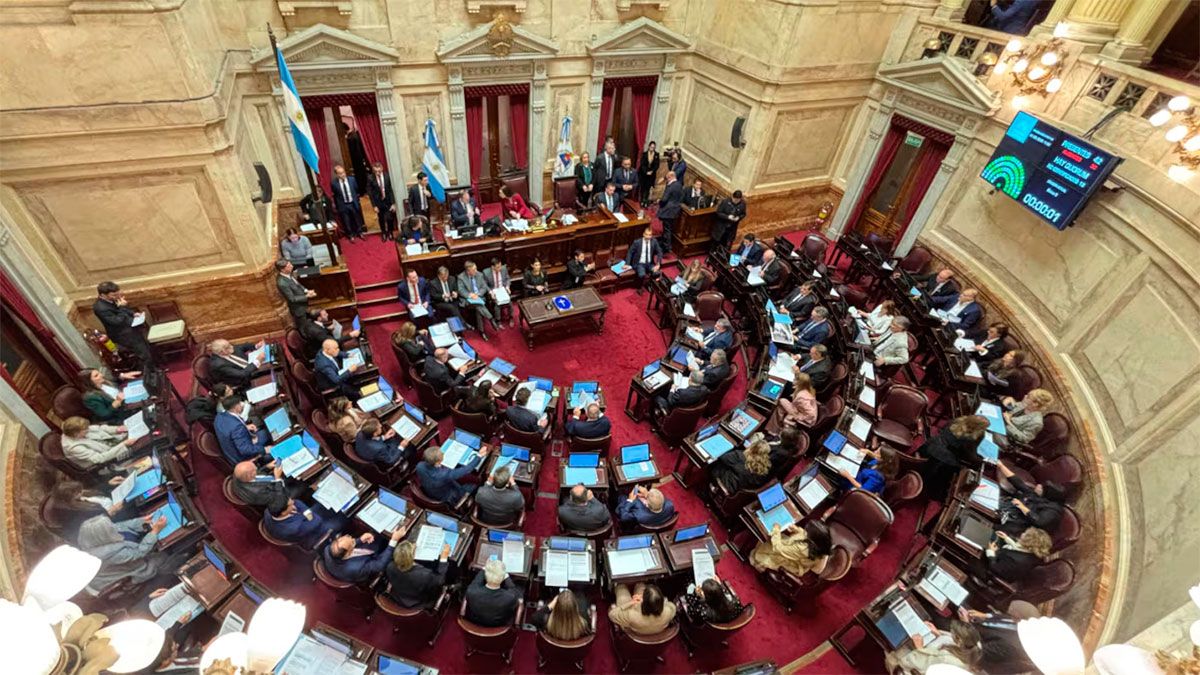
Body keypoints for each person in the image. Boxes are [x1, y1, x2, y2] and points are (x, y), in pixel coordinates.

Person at [78, 514, 180, 591]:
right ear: (104, 535)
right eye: (110, 528)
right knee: (166, 553)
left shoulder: (93, 538)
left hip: (133, 550)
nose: (113, 527)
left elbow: (121, 525)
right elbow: (140, 552)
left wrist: (142, 521)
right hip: (139, 566)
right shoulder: (110, 555)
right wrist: (155, 532)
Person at [916, 415, 989, 500]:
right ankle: (935, 492)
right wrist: (982, 461)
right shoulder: (970, 438)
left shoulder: (957, 421)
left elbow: (943, 429)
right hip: (940, 456)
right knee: (957, 469)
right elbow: (969, 456)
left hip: (931, 444)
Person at [958, 602, 1041, 674]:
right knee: (960, 605)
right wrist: (984, 615)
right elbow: (1002, 617)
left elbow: (979, 650)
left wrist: (966, 624)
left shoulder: (1011, 644)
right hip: (979, 625)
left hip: (973, 645)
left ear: (1020, 618)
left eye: (1013, 614)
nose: (1010, 615)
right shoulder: (1016, 621)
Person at [884, 620, 983, 674]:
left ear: (959, 640)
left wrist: (919, 648)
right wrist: (938, 634)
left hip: (912, 670)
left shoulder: (946, 658)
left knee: (893, 654)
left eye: (952, 633)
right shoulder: (971, 652)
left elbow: (917, 664)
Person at [93, 281, 155, 367]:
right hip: (122, 335)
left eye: (117, 294)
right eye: (114, 295)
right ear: (103, 295)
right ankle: (149, 372)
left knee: (146, 349)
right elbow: (117, 321)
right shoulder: (100, 308)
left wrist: (133, 313)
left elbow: (122, 310)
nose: (117, 296)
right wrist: (122, 307)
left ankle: (154, 368)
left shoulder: (112, 299)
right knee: (143, 354)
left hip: (131, 328)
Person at [997, 460, 1066, 536]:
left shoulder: (1053, 511)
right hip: (1010, 509)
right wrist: (1001, 466)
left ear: (1046, 494)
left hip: (1019, 525)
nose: (1039, 485)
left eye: (1042, 488)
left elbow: (1039, 521)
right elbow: (1019, 483)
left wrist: (1022, 507)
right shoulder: (1036, 495)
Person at [751, 520, 833, 577]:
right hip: (802, 559)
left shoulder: (801, 549)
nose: (805, 532)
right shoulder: (822, 544)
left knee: (763, 548)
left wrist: (776, 530)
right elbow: (806, 535)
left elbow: (778, 548)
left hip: (792, 562)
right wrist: (797, 529)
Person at [386, 540, 451, 610]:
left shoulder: (390, 566)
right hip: (418, 604)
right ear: (412, 557)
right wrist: (443, 558)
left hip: (397, 597)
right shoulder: (425, 575)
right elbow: (440, 580)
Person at [322, 530, 404, 583]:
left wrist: (360, 540)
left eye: (348, 537)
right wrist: (394, 540)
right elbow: (380, 565)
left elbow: (348, 545)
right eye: (353, 542)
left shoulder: (328, 549)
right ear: (348, 553)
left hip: (355, 559)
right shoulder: (356, 568)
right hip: (366, 567)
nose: (353, 539)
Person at [415, 444, 487, 504]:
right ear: (437, 462)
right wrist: (479, 455)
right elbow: (467, 469)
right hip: (449, 496)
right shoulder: (444, 474)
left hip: (432, 491)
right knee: (474, 486)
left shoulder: (419, 465)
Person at [263, 498, 343, 550]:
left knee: (322, 504)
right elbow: (316, 521)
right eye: (290, 504)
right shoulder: (293, 528)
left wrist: (302, 510)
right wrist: (304, 511)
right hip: (313, 534)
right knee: (341, 518)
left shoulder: (268, 511)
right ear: (283, 513)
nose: (293, 501)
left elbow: (297, 502)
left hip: (304, 520)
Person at [61, 416, 132, 474]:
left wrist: (117, 429)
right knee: (137, 443)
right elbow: (100, 458)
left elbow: (100, 428)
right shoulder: (74, 448)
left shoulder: (79, 429)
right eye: (85, 430)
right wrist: (124, 444)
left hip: (113, 442)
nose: (88, 429)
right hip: (107, 460)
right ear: (76, 434)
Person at [464, 559, 522, 628]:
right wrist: (506, 576)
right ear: (502, 578)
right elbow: (514, 590)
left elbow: (476, 582)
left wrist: (484, 569)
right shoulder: (510, 597)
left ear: (485, 576)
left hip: (475, 622)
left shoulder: (471, 591)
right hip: (498, 625)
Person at [710, 433, 774, 494]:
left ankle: (713, 486)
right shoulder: (765, 468)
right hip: (742, 490)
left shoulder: (740, 456)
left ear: (752, 447)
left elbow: (722, 457)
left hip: (729, 486)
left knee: (718, 464)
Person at [214, 396, 271, 465]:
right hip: (244, 459)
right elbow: (245, 450)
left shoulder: (219, 416)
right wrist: (264, 449)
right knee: (267, 434)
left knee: (263, 433)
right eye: (240, 403)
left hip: (233, 451)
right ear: (236, 407)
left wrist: (245, 427)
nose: (242, 404)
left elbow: (229, 430)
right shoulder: (237, 427)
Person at [985, 527, 1052, 583]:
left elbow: (995, 568)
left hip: (993, 571)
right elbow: (1019, 549)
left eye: (1025, 534)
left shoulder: (1016, 561)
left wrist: (991, 552)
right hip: (1003, 561)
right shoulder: (1032, 553)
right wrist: (1007, 539)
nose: (1022, 533)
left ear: (1028, 543)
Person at [609, 583, 676, 635]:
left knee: (621, 588)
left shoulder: (631, 615)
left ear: (644, 603)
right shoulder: (668, 611)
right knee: (640, 585)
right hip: (652, 628)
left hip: (634, 630)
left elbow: (612, 614)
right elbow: (672, 605)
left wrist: (631, 602)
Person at [457, 260, 499, 338]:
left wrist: (478, 294)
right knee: (478, 305)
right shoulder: (461, 277)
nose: (476, 271)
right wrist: (470, 295)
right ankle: (491, 318)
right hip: (468, 300)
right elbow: (461, 290)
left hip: (479, 297)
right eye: (474, 270)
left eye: (476, 268)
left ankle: (482, 331)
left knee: (478, 308)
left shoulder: (479, 274)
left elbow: (484, 287)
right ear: (468, 271)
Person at [678, 577, 744, 625]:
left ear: (707, 598)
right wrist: (720, 586)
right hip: (723, 620)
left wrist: (694, 595)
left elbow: (691, 612)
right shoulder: (736, 602)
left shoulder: (703, 612)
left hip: (703, 628)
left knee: (688, 584)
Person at [331, 164, 366, 240]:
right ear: (337, 174)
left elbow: (356, 190)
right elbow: (335, 195)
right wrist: (338, 206)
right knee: (346, 221)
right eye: (340, 173)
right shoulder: (334, 183)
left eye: (343, 172)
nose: (343, 174)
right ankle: (350, 235)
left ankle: (360, 232)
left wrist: (357, 200)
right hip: (343, 204)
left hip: (353, 203)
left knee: (357, 219)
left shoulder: (352, 180)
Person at [625, 226, 662, 294]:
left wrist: (658, 264)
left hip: (650, 263)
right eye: (646, 234)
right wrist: (627, 263)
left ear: (651, 235)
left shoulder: (654, 241)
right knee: (641, 274)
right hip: (640, 264)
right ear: (643, 234)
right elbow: (630, 252)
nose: (648, 236)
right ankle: (639, 287)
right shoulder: (637, 242)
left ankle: (649, 284)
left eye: (649, 235)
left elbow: (659, 252)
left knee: (657, 273)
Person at [367, 162, 397, 240]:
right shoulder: (370, 178)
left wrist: (393, 203)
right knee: (381, 218)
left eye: (379, 171)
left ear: (382, 169)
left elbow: (390, 190)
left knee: (390, 218)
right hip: (378, 202)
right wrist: (374, 206)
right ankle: (383, 233)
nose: (377, 173)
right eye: (376, 171)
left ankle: (390, 232)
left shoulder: (387, 176)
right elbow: (370, 193)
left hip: (388, 201)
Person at [656, 170, 683, 254]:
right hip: (675, 210)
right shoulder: (679, 184)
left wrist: (659, 201)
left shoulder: (670, 186)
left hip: (668, 211)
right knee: (669, 228)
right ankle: (664, 243)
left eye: (667, 178)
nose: (667, 180)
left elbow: (664, 199)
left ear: (671, 177)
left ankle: (666, 247)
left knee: (667, 229)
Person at [487, 257, 514, 327]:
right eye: (498, 267)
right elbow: (485, 285)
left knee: (510, 303)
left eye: (500, 266)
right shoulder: (486, 272)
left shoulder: (504, 269)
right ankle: (498, 321)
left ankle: (511, 317)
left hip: (503, 289)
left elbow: (508, 279)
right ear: (492, 267)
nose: (500, 268)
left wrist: (507, 287)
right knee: (497, 304)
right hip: (494, 291)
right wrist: (491, 292)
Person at [637, 141, 660, 207]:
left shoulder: (656, 155)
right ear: (649, 146)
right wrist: (646, 172)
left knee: (648, 188)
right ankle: (641, 200)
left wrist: (652, 171)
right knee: (642, 188)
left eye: (653, 147)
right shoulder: (644, 154)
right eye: (651, 147)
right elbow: (642, 164)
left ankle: (645, 201)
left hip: (651, 175)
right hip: (643, 174)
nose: (652, 148)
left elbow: (657, 165)